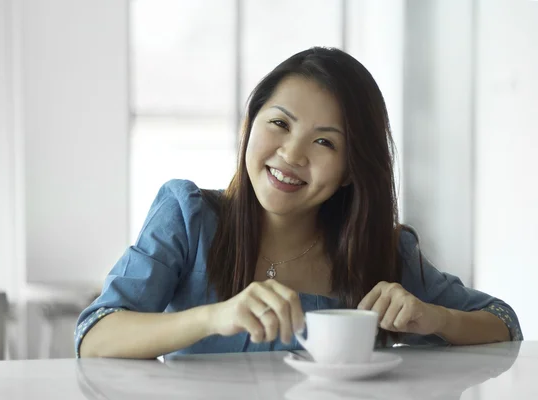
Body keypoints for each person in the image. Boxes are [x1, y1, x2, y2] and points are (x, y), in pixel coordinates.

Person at [75, 47, 522, 359]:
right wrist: (214, 317)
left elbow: (503, 321)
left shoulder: (380, 252)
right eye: (279, 124)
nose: (292, 154)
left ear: (351, 169)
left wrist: (434, 318)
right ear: (248, 126)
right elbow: (96, 335)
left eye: (325, 141)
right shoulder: (187, 217)